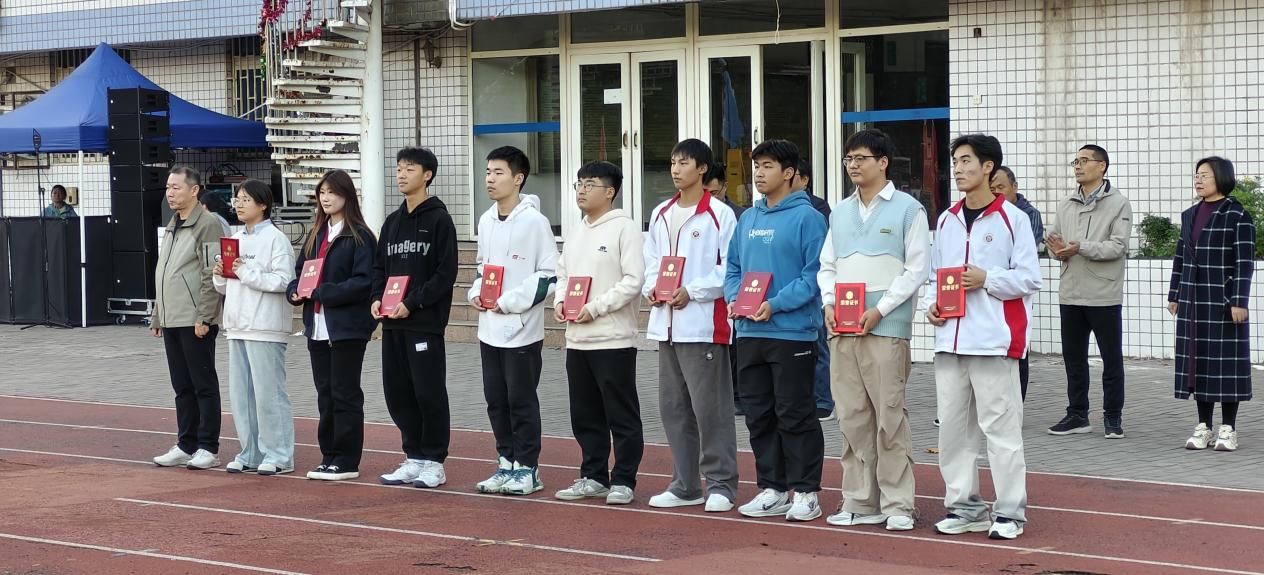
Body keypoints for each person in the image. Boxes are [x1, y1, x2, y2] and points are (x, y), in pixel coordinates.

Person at [923, 134, 1040, 541]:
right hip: (950, 343)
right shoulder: (946, 220)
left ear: (988, 167)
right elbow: (937, 276)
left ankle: (1009, 511)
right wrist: (933, 306)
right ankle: (965, 507)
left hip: (994, 343)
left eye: (966, 161)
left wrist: (987, 279)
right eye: (955, 161)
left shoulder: (1013, 219)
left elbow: (1029, 278)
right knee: (953, 432)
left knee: (1001, 432)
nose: (957, 169)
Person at [818, 129, 929, 531]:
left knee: (889, 417)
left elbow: (917, 270)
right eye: (849, 158)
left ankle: (898, 504)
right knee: (852, 417)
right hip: (843, 329)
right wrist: (829, 303)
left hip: (886, 329)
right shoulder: (839, 212)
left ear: (883, 162)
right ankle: (860, 500)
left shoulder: (909, 210)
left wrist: (880, 310)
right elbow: (827, 265)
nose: (853, 165)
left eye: (860, 158)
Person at [725, 139, 827, 522]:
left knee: (795, 413)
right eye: (757, 166)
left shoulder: (808, 218)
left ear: (789, 173)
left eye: (767, 166)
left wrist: (776, 303)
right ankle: (773, 488)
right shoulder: (747, 219)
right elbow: (733, 268)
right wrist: (735, 299)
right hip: (749, 331)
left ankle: (806, 492)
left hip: (792, 333)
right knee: (758, 414)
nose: (759, 173)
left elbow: (814, 275)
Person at [643, 139, 739, 513]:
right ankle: (685, 484)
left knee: (710, 409)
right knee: (674, 408)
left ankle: (721, 484)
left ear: (702, 169)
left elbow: (730, 268)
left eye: (683, 162)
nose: (675, 169)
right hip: (666, 325)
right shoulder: (661, 213)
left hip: (702, 326)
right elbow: (652, 262)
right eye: (672, 162)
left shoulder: (720, 214)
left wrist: (693, 291)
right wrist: (652, 288)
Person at [552, 160, 645, 505]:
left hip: (613, 339)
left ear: (610, 192)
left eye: (590, 184)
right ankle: (593, 475)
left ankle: (624, 479)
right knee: (585, 414)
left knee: (621, 414)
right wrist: (560, 301)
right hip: (577, 340)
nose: (581, 190)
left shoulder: (625, 228)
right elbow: (563, 274)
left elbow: (633, 281)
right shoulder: (576, 232)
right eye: (579, 184)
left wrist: (595, 308)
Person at [467, 145, 558, 496]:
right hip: (489, 329)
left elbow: (549, 275)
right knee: (496, 400)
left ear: (518, 178)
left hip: (521, 330)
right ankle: (506, 462)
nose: (490, 179)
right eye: (488, 172)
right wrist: (477, 292)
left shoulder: (535, 222)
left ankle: (527, 468)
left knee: (521, 400)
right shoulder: (486, 220)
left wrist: (510, 302)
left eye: (498, 172)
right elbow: (482, 266)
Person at [372, 147, 459, 488]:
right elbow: (379, 268)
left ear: (427, 175)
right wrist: (376, 299)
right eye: (398, 168)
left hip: (423, 323)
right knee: (398, 393)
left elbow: (445, 273)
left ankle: (435, 461)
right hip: (393, 323)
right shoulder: (392, 223)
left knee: (428, 392)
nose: (401, 174)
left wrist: (414, 302)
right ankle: (414, 456)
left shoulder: (439, 220)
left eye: (409, 169)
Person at [288, 169, 377, 481]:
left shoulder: (360, 236)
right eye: (322, 193)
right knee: (325, 393)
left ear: (347, 196)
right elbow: (300, 273)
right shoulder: (316, 234)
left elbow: (364, 282)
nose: (326, 198)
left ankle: (347, 459)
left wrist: (323, 292)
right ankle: (329, 455)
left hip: (347, 328)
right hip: (317, 326)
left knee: (345, 392)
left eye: (332, 192)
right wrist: (294, 292)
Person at [1045, 145, 1133, 439]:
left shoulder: (1118, 203)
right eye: (1076, 161)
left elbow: (1118, 246)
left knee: (1111, 359)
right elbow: (1054, 241)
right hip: (1071, 291)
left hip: (1103, 293)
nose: (1078, 166)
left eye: (1084, 161)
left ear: (1102, 166)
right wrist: (1057, 248)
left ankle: (1113, 417)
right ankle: (1077, 415)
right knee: (1074, 360)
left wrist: (1080, 247)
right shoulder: (1066, 204)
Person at [1168, 156, 1255, 452]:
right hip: (1193, 300)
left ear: (1222, 177)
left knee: (1227, 364)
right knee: (1198, 362)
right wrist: (1175, 294)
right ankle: (1204, 426)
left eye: (1205, 175)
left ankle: (1228, 429)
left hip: (1224, 301)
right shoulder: (1190, 215)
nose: (1199, 179)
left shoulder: (1237, 215)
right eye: (1197, 175)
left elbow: (1244, 263)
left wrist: (1239, 301)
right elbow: (1181, 257)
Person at [213, 180, 296, 476]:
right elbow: (226, 286)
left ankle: (279, 454)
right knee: (242, 396)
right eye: (237, 198)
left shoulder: (276, 239)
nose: (239, 203)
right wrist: (220, 274)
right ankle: (250, 451)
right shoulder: (235, 238)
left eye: (246, 199)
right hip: (237, 325)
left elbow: (284, 281)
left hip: (264, 326)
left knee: (268, 394)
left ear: (263, 204)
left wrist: (244, 271)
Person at [150, 166, 225, 470]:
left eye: (176, 187)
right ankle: (186, 443)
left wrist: (205, 316)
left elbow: (210, 273)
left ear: (194, 190)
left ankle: (208, 446)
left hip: (195, 318)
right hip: (172, 318)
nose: (170, 193)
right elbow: (164, 271)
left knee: (203, 384)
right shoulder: (173, 223)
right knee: (181, 385)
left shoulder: (207, 224)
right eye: (168, 187)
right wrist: (158, 313)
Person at [990, 166, 1044, 401]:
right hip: (988, 291)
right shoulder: (988, 214)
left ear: (1014, 187)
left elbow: (1022, 255)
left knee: (1017, 349)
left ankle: (1016, 404)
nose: (996, 192)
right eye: (992, 188)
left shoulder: (1026, 215)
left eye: (1001, 187)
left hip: (1014, 292)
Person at [705, 162, 745, 417]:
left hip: (733, 289)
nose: (710, 198)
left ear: (724, 187)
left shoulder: (738, 216)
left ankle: (738, 395)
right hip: (704, 291)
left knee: (735, 345)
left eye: (714, 192)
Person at [796, 159, 835, 422]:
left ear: (804, 179)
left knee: (819, 344)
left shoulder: (818, 208)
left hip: (816, 286)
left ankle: (823, 400)